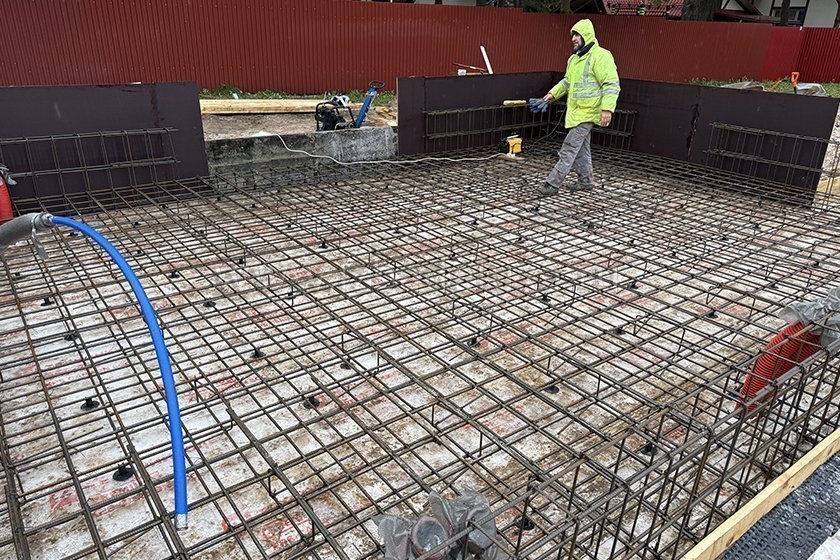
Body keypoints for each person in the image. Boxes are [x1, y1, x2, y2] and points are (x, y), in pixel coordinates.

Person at [533, 19, 620, 195]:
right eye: (573, 35)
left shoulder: (601, 56)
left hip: (588, 113)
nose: (573, 38)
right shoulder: (573, 59)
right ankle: (585, 182)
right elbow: (567, 82)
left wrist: (607, 109)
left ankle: (552, 185)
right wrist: (551, 95)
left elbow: (611, 84)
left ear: (587, 36)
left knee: (568, 149)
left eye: (577, 35)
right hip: (576, 114)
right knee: (581, 150)